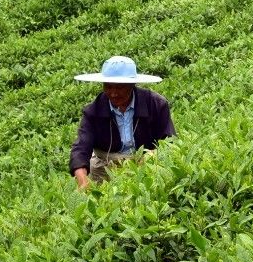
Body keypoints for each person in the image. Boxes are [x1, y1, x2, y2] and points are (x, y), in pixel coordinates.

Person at [69, 55, 175, 189]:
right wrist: (82, 180)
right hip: (105, 165)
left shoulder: (155, 104)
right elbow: (81, 147)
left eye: (119, 88)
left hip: (145, 163)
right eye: (108, 87)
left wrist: (151, 156)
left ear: (132, 85)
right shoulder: (93, 111)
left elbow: (169, 141)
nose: (113, 93)